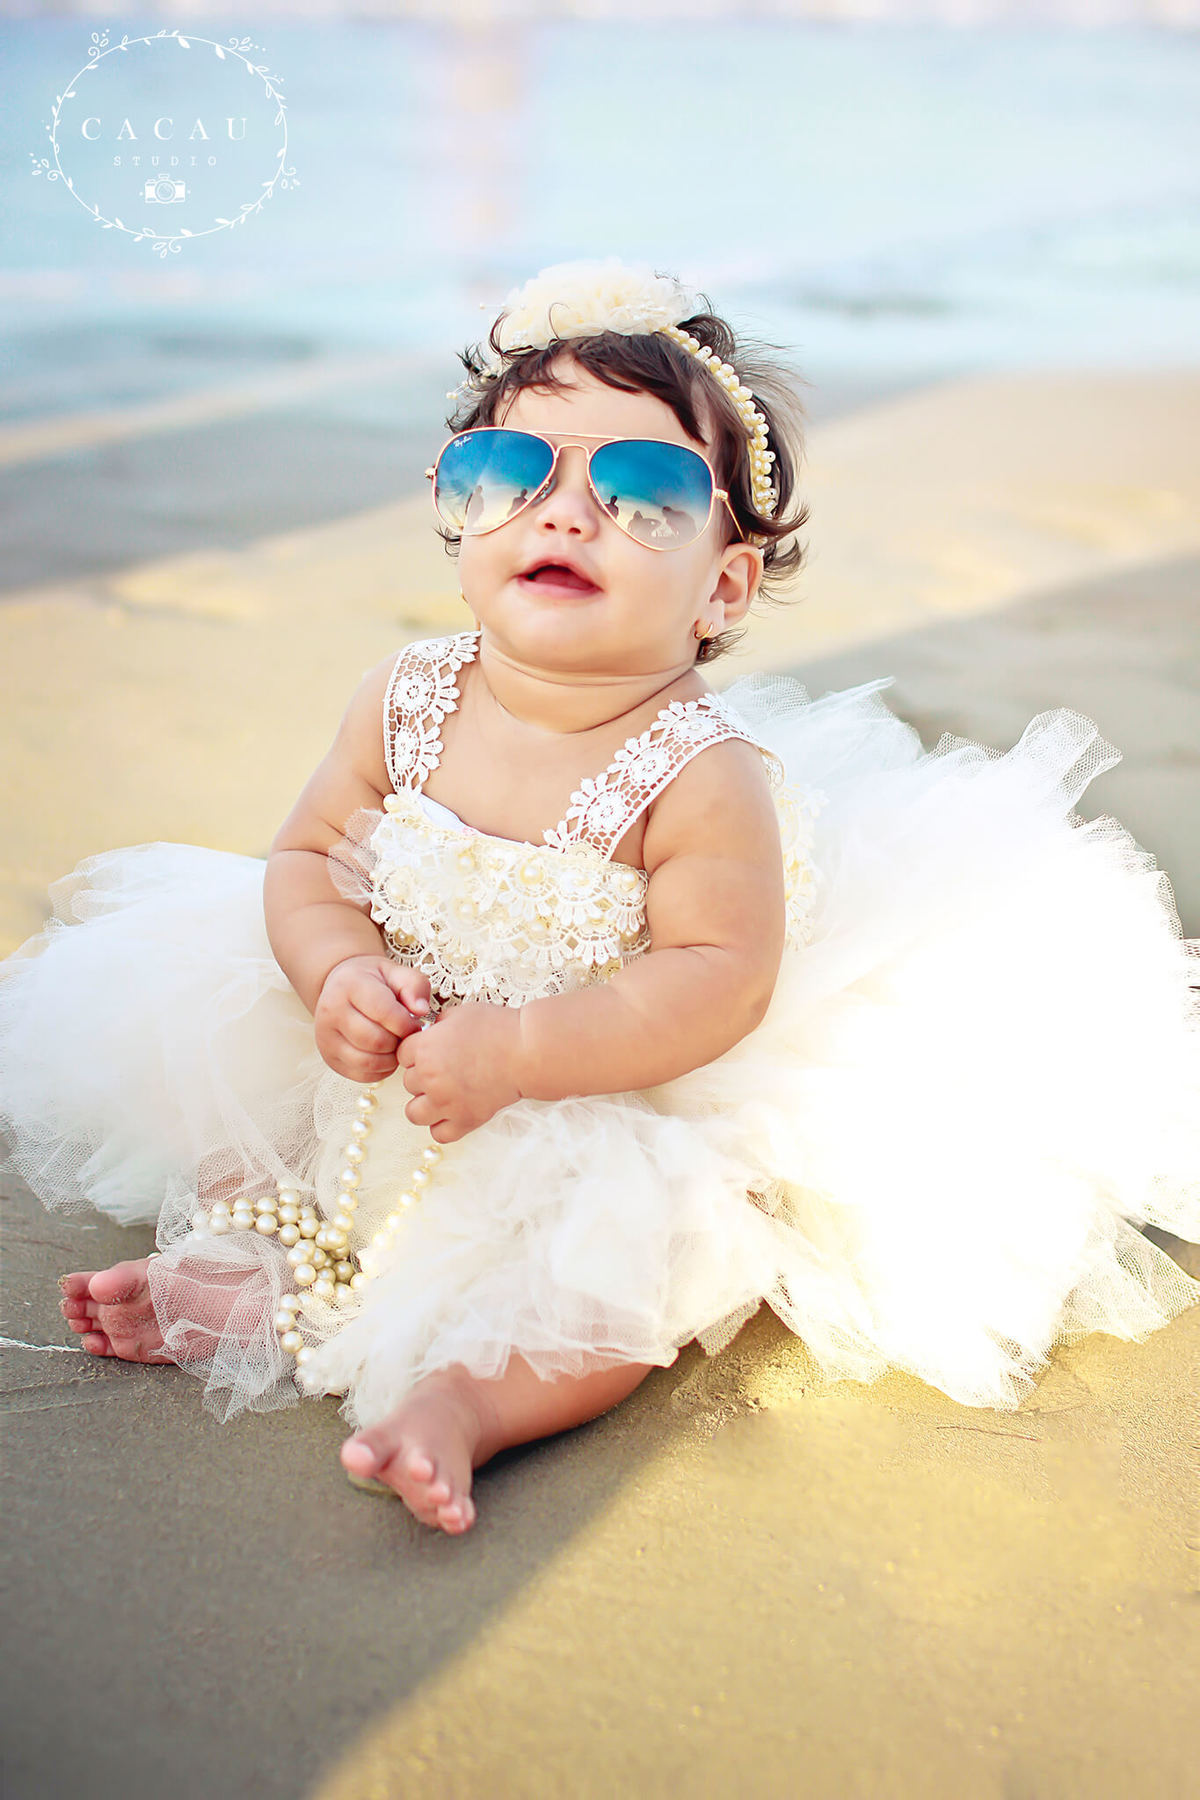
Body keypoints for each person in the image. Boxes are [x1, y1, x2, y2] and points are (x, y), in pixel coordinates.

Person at [2, 258, 1198, 1540]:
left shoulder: (700, 777)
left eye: (644, 495)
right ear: (459, 515)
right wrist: (337, 969)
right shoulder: (403, 697)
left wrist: (523, 1053)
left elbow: (716, 976)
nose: (566, 514)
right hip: (394, 1053)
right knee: (241, 1107)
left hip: (605, 1087)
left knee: (632, 1264)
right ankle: (243, 1279)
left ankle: (470, 1403)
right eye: (512, 471)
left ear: (723, 588)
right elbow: (303, 860)